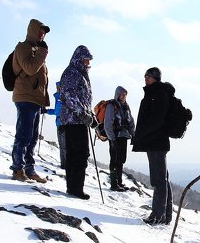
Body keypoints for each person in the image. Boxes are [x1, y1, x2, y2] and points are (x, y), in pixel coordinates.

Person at [10, 19, 50, 183]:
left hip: (34, 99)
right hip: (25, 97)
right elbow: (30, 68)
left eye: (44, 32)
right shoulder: (22, 48)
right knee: (24, 135)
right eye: (40, 31)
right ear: (33, 31)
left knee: (33, 137)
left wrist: (43, 100)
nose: (43, 34)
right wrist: (41, 53)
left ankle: (29, 169)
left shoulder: (36, 50)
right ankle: (17, 169)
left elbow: (42, 78)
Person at [132, 66, 173, 224]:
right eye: (145, 76)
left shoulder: (158, 94)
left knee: (158, 179)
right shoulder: (155, 93)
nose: (145, 78)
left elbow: (156, 120)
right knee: (162, 177)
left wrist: (141, 134)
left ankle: (158, 214)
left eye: (148, 76)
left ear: (155, 78)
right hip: (155, 141)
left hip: (156, 141)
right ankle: (165, 214)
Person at [56, 45, 96, 199]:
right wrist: (83, 114)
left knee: (75, 154)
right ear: (79, 58)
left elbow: (83, 99)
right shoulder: (73, 72)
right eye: (86, 60)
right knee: (80, 154)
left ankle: (73, 187)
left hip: (76, 119)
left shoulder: (79, 73)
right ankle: (76, 188)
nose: (88, 63)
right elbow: (68, 95)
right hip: (74, 120)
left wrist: (90, 115)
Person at [102, 86, 135, 191]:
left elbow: (131, 121)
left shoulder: (126, 106)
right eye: (122, 94)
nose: (123, 96)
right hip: (115, 136)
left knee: (121, 160)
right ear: (117, 94)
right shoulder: (112, 106)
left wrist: (133, 135)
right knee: (114, 160)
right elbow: (107, 123)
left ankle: (119, 182)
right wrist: (112, 139)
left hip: (124, 136)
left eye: (125, 94)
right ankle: (113, 183)